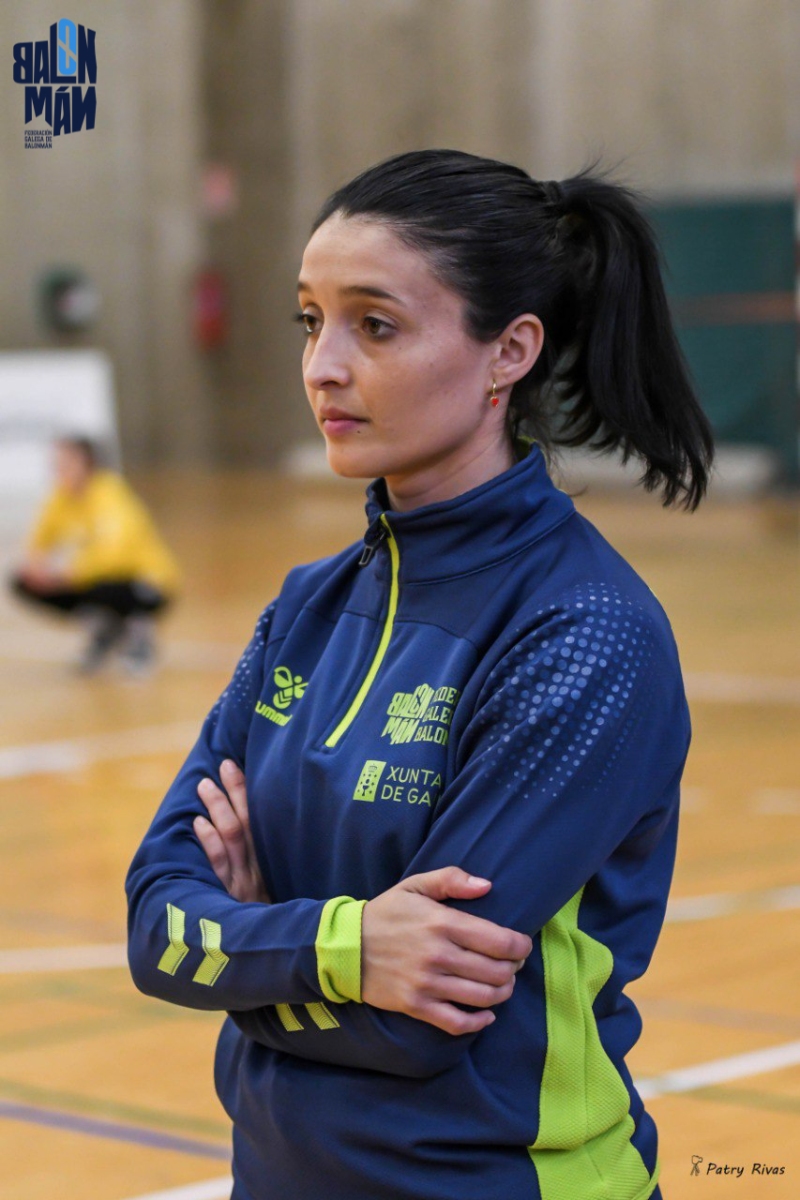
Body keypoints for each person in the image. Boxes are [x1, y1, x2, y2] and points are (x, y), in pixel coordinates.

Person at [126, 149, 714, 1200]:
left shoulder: (584, 633)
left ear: (508, 352)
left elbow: (417, 1023)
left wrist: (251, 938)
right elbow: (155, 931)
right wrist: (350, 945)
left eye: (375, 325)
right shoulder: (305, 609)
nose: (322, 367)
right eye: (310, 321)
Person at [10, 436, 180, 672]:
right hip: (90, 576)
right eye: (57, 462)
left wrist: (66, 575)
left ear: (87, 463)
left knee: (104, 587)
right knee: (23, 582)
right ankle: (104, 628)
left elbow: (115, 555)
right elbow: (39, 540)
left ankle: (139, 635)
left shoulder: (109, 494)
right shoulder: (61, 498)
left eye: (66, 462)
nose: (59, 468)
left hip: (147, 582)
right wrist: (36, 566)